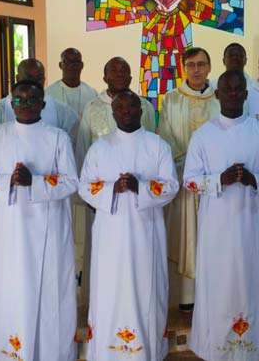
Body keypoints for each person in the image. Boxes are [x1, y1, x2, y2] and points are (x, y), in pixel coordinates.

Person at [0, 80, 78, 361]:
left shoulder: (58, 137)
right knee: (13, 290)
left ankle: (50, 352)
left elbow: (71, 181)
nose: (25, 105)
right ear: (11, 105)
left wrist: (36, 183)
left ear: (42, 104)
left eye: (32, 100)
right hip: (11, 231)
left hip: (50, 229)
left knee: (49, 291)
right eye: (19, 101)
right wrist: (11, 180)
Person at [183, 70, 259, 361]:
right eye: (228, 89)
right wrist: (218, 180)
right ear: (217, 94)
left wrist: (254, 180)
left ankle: (253, 345)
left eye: (239, 89)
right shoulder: (204, 135)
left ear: (246, 95)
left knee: (251, 282)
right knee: (219, 285)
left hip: (251, 224)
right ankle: (215, 346)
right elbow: (189, 180)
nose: (234, 94)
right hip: (217, 227)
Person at [78, 91, 178, 361]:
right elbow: (85, 187)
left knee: (146, 287)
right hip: (110, 234)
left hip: (146, 232)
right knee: (110, 290)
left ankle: (148, 349)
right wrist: (113, 188)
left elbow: (171, 186)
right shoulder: (99, 147)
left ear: (141, 110)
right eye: (119, 107)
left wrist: (140, 187)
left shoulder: (157, 145)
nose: (125, 111)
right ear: (112, 112)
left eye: (131, 106)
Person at [158, 47, 219, 311]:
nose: (196, 70)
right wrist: (185, 165)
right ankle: (187, 297)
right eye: (191, 65)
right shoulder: (171, 99)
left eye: (201, 64)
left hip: (216, 181)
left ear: (209, 67)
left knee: (214, 235)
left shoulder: (221, 97)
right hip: (184, 178)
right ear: (184, 68)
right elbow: (165, 136)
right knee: (185, 237)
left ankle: (213, 290)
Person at [76, 56, 156, 166]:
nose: (119, 74)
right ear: (105, 78)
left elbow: (152, 143)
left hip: (139, 170)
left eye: (123, 71)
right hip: (102, 174)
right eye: (114, 71)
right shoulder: (92, 107)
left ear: (130, 78)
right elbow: (82, 148)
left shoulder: (145, 106)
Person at [0, 58, 79, 141]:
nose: (34, 83)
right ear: (17, 78)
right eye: (29, 77)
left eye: (39, 78)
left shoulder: (63, 111)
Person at [46, 47, 98, 117]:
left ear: (81, 65)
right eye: (67, 62)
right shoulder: (49, 93)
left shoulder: (92, 93)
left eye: (76, 62)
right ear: (60, 65)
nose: (71, 66)